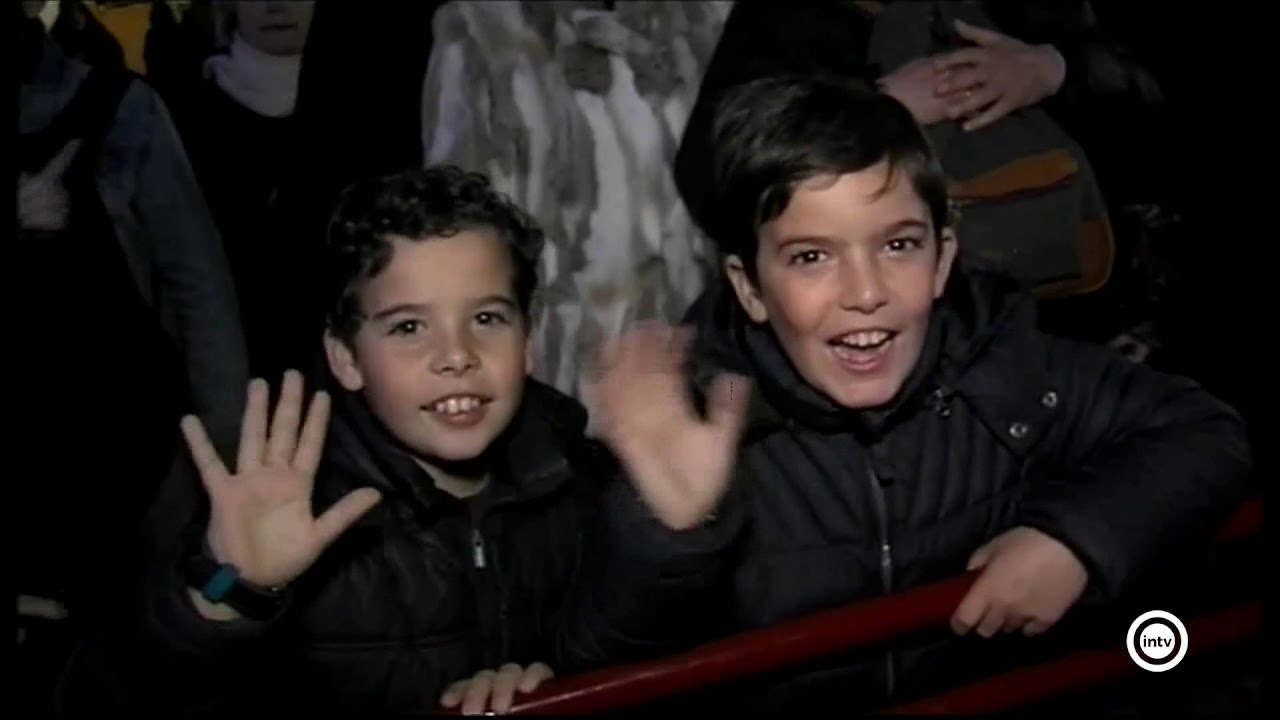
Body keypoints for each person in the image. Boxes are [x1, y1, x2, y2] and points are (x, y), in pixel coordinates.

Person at [562, 75, 1252, 712]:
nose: (866, 293)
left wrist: (1077, 540)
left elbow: (1208, 432)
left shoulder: (1009, 370)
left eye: (898, 246)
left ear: (943, 258)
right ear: (750, 288)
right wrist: (668, 534)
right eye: (811, 257)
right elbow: (595, 669)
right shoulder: (690, 430)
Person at [55, 166, 667, 715]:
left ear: (528, 341)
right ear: (347, 359)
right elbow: (95, 699)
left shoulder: (578, 475)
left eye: (486, 318)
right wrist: (228, 590)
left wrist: (670, 542)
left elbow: (628, 653)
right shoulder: (288, 506)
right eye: (408, 326)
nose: (456, 355)